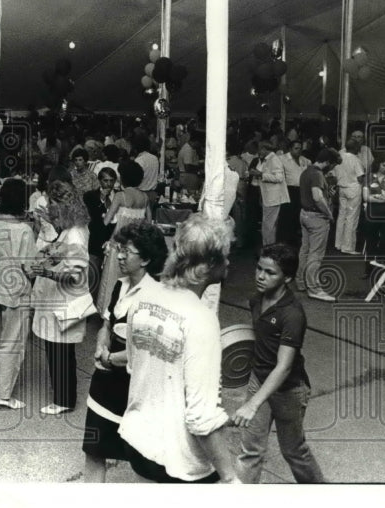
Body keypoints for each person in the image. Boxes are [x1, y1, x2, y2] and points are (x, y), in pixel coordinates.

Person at [120, 214, 240, 483]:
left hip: (137, 441)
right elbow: (200, 417)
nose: (230, 262)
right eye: (226, 255)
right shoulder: (201, 319)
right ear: (209, 264)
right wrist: (231, 478)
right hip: (178, 461)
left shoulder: (142, 298)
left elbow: (133, 365)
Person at [233, 244, 326, 483]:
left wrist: (253, 403)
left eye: (270, 272)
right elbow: (259, 339)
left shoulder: (292, 314)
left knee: (294, 451)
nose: (261, 276)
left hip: (289, 391)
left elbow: (284, 366)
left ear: (288, 278)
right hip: (259, 380)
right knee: (250, 452)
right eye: (259, 269)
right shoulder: (256, 300)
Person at [83, 220, 167, 482]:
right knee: (94, 450)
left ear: (145, 259)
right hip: (104, 383)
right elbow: (107, 323)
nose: (118, 255)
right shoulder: (120, 285)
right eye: (119, 249)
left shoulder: (155, 296)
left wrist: (110, 358)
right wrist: (100, 344)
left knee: (141, 460)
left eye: (126, 251)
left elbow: (146, 351)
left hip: (136, 388)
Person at [30, 181, 96, 415]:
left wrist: (46, 272)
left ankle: (64, 400)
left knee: (59, 352)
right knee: (58, 350)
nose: (51, 209)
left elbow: (75, 275)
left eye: (53, 205)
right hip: (60, 299)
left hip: (65, 300)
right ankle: (63, 397)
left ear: (62, 205)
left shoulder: (76, 234)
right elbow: (63, 252)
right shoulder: (74, 227)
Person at [0, 178, 38, 409]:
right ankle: (3, 394)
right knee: (12, 341)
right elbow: (29, 266)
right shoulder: (24, 230)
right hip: (15, 290)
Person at [297, 148, 340, 302]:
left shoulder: (306, 171)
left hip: (304, 214)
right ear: (328, 162)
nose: (333, 168)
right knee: (316, 254)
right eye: (333, 165)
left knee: (305, 250)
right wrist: (329, 213)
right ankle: (314, 288)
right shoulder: (317, 174)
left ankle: (301, 282)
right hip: (317, 217)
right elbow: (317, 197)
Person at [83, 167, 117, 297]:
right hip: (95, 244)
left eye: (111, 181)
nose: (108, 184)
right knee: (93, 280)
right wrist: (101, 200)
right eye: (105, 180)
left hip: (113, 242)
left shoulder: (119, 197)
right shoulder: (90, 196)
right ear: (99, 181)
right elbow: (92, 219)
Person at [362, 155, 385, 266]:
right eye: (384, 165)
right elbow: (365, 197)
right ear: (379, 164)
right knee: (370, 241)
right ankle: (369, 268)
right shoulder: (368, 178)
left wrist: (377, 197)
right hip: (372, 213)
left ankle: (384, 268)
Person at [252, 140, 289, 246]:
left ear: (264, 149)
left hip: (273, 197)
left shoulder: (274, 160)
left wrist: (261, 174)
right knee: (269, 224)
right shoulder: (265, 160)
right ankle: (269, 247)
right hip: (267, 196)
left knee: (268, 224)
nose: (258, 152)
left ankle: (267, 248)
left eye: (260, 149)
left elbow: (279, 178)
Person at [332, 137, 365, 255]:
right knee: (351, 218)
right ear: (356, 148)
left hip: (342, 188)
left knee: (341, 216)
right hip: (353, 189)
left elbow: (334, 175)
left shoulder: (339, 157)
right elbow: (360, 177)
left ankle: (338, 244)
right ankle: (347, 247)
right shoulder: (356, 160)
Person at [280, 140, 310, 248]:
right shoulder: (282, 159)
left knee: (298, 215)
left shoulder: (304, 160)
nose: (299, 150)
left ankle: (294, 241)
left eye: (300, 148)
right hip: (288, 189)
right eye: (296, 148)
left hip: (301, 190)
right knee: (287, 216)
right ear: (290, 149)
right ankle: (284, 242)